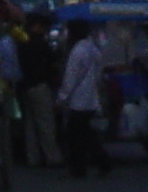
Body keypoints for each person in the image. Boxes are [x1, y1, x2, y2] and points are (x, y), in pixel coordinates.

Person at [57, 21, 112, 178]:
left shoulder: (77, 52)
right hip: (90, 98)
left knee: (76, 137)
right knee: (87, 135)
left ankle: (80, 168)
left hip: (77, 101)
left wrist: (62, 98)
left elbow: (70, 78)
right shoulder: (92, 48)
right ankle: (102, 161)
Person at [17, 19, 63, 167]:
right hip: (40, 85)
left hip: (26, 85)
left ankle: (33, 157)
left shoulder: (22, 43)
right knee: (45, 123)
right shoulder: (40, 43)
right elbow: (52, 62)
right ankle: (52, 156)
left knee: (30, 125)